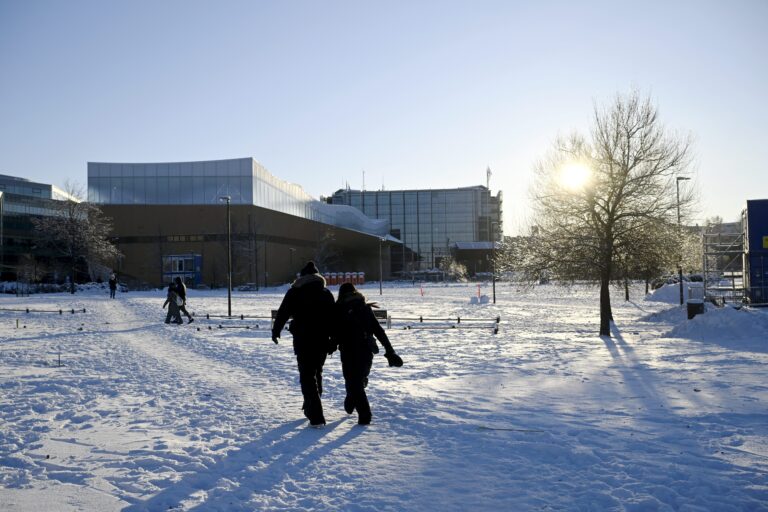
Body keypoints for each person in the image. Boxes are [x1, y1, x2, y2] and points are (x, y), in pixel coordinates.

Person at [272, 261, 336, 427]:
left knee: (307, 376)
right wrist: (334, 340)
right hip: (322, 340)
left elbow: (283, 311)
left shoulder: (295, 292)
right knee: (316, 372)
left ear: (302, 277)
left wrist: (276, 330)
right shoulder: (326, 293)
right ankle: (311, 405)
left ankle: (315, 415)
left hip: (303, 339)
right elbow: (334, 319)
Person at [333, 282, 403, 425]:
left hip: (348, 351)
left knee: (353, 381)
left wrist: (330, 345)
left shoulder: (339, 308)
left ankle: (364, 415)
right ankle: (353, 398)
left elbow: (335, 333)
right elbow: (378, 331)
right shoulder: (364, 308)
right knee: (357, 380)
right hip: (366, 350)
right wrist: (389, 349)